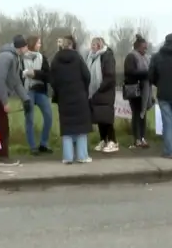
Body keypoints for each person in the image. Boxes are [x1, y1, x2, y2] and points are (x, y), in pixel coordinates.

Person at [0, 35, 31, 166]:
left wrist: (26, 99)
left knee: (3, 126)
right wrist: (4, 101)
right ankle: (3, 157)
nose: (27, 48)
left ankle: (3, 155)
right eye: (26, 46)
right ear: (21, 47)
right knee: (3, 127)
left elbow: (15, 81)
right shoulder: (6, 57)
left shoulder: (14, 57)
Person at [49, 36, 93, 164]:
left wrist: (59, 91)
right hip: (79, 96)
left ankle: (67, 157)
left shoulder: (56, 60)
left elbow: (52, 80)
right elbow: (87, 75)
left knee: (67, 127)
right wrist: (83, 89)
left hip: (64, 97)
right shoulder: (78, 58)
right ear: (71, 45)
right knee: (81, 127)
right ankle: (82, 156)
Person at [21, 35, 53, 155]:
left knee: (49, 116)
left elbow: (48, 75)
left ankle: (43, 143)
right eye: (38, 43)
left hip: (40, 90)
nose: (40, 45)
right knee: (29, 118)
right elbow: (19, 75)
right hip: (27, 90)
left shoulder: (42, 58)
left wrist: (34, 73)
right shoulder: (22, 59)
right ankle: (32, 146)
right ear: (32, 44)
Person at [87, 37, 118, 152]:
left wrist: (100, 89)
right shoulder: (91, 57)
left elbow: (110, 76)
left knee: (106, 118)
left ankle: (112, 141)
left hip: (105, 92)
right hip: (95, 92)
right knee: (99, 117)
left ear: (100, 45)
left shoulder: (107, 56)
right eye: (92, 44)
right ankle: (103, 139)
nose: (92, 47)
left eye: (94, 44)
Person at [123, 35, 153, 149]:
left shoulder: (145, 57)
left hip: (145, 90)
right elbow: (130, 72)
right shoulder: (131, 57)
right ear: (137, 47)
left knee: (143, 114)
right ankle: (137, 139)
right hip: (135, 90)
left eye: (146, 48)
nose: (145, 50)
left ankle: (142, 137)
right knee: (136, 114)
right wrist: (146, 73)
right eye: (144, 47)